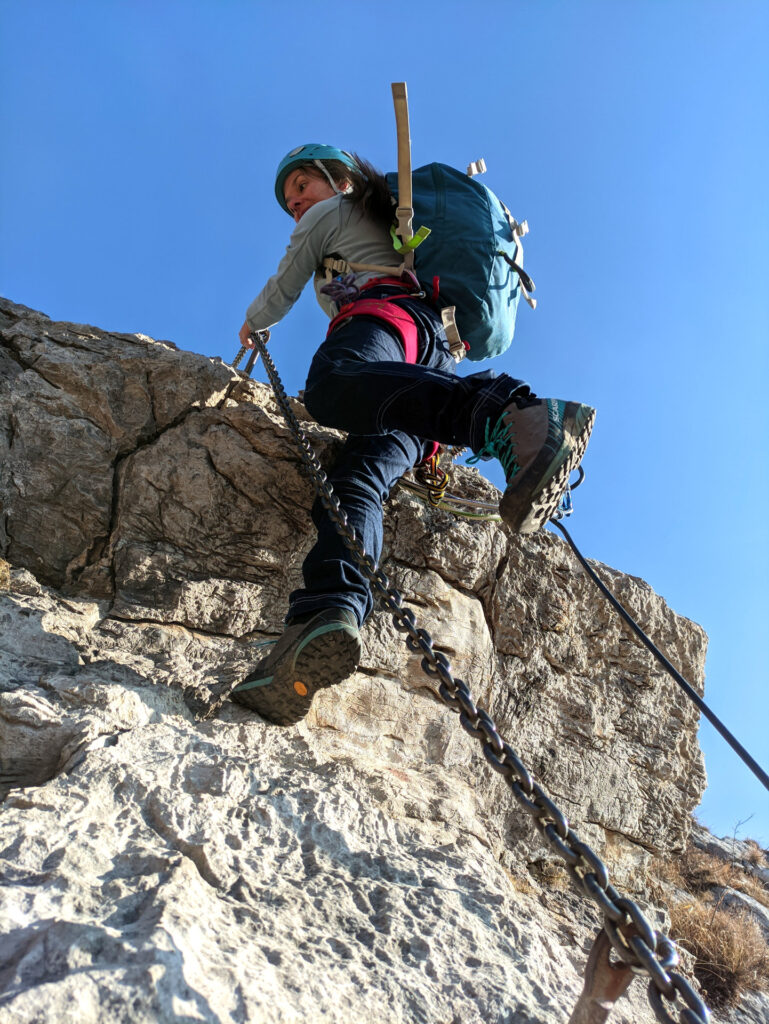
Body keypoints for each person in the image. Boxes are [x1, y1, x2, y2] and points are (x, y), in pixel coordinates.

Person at [231, 144, 594, 726]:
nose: (295, 201)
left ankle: (506, 412)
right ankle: (328, 613)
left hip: (388, 324)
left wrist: (254, 322)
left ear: (338, 178)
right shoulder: (377, 222)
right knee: (357, 479)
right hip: (425, 363)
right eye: (288, 197)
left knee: (333, 381)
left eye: (301, 184)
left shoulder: (337, 212)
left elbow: (287, 279)